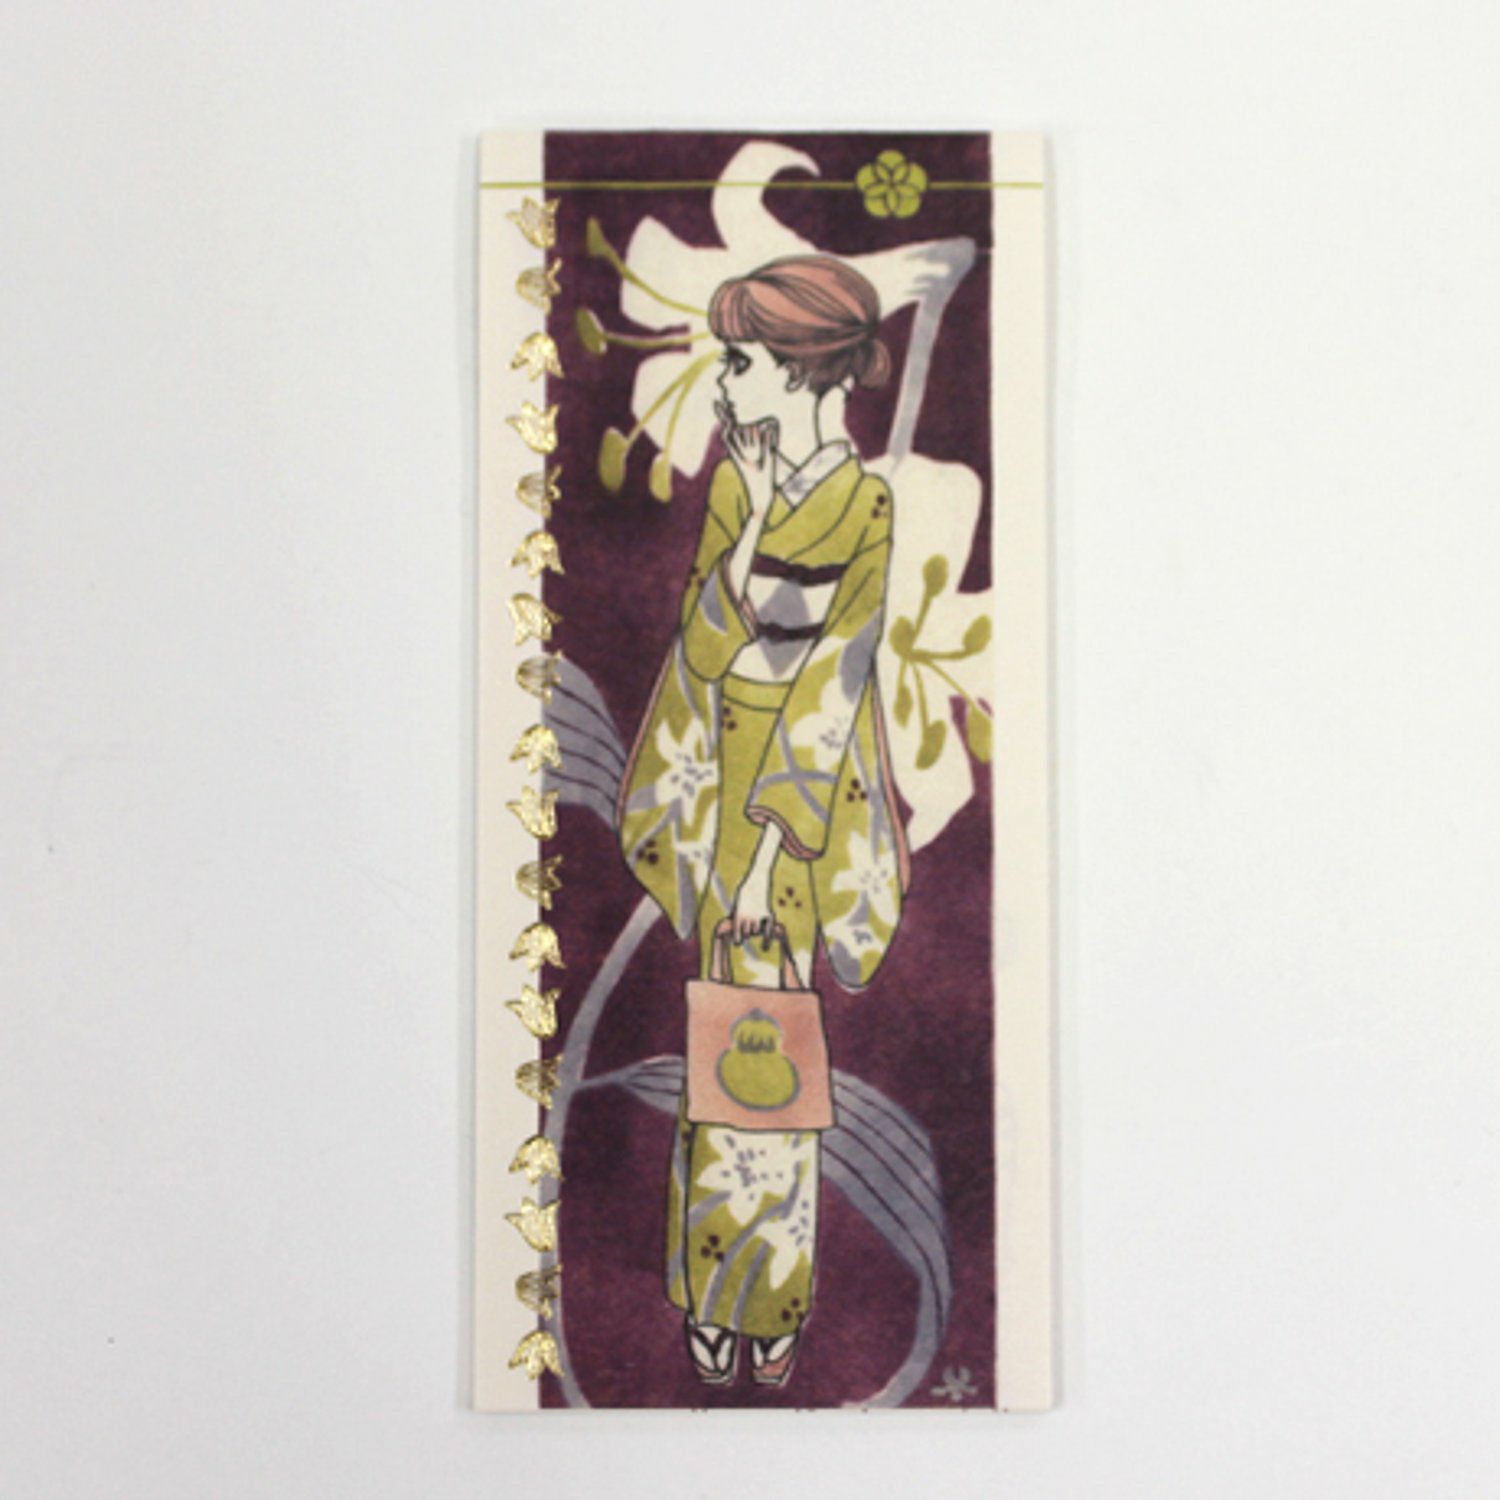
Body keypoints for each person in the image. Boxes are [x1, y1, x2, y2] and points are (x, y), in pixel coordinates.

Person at [616, 254, 910, 1388]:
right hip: (722, 775)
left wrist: (771, 852)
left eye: (739, 360)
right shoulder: (738, 487)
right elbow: (698, 653)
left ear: (801, 367)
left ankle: (773, 1303)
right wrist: (739, 548)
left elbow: (838, 678)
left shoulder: (867, 505)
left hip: (798, 805)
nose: (725, 380)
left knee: (774, 1063)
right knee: (717, 1057)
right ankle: (707, 1291)